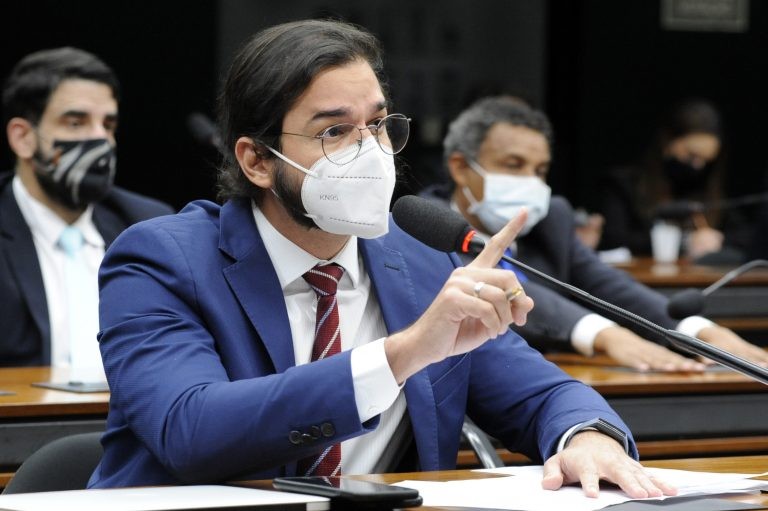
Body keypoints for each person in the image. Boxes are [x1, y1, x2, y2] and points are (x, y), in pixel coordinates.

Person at [88, 20, 676, 500]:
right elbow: (193, 430)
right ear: (257, 161)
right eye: (334, 132)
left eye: (377, 124)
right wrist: (402, 355)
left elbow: (544, 396)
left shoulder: (423, 261)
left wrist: (589, 437)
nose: (369, 150)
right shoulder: (160, 259)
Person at [421, 95, 768, 371]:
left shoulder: (551, 217)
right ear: (461, 168)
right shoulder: (428, 226)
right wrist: (604, 334)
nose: (531, 181)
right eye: (514, 165)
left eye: (540, 170)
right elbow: (506, 289)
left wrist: (697, 331)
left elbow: (610, 287)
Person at [0, 48, 174, 371]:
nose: (101, 140)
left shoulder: (150, 226)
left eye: (107, 125)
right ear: (22, 138)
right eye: (76, 123)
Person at [598, 99, 749, 262]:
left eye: (706, 161)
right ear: (667, 141)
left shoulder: (709, 189)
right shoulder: (625, 184)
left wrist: (718, 238)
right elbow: (614, 238)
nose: (698, 166)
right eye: (691, 155)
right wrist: (686, 241)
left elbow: (745, 234)